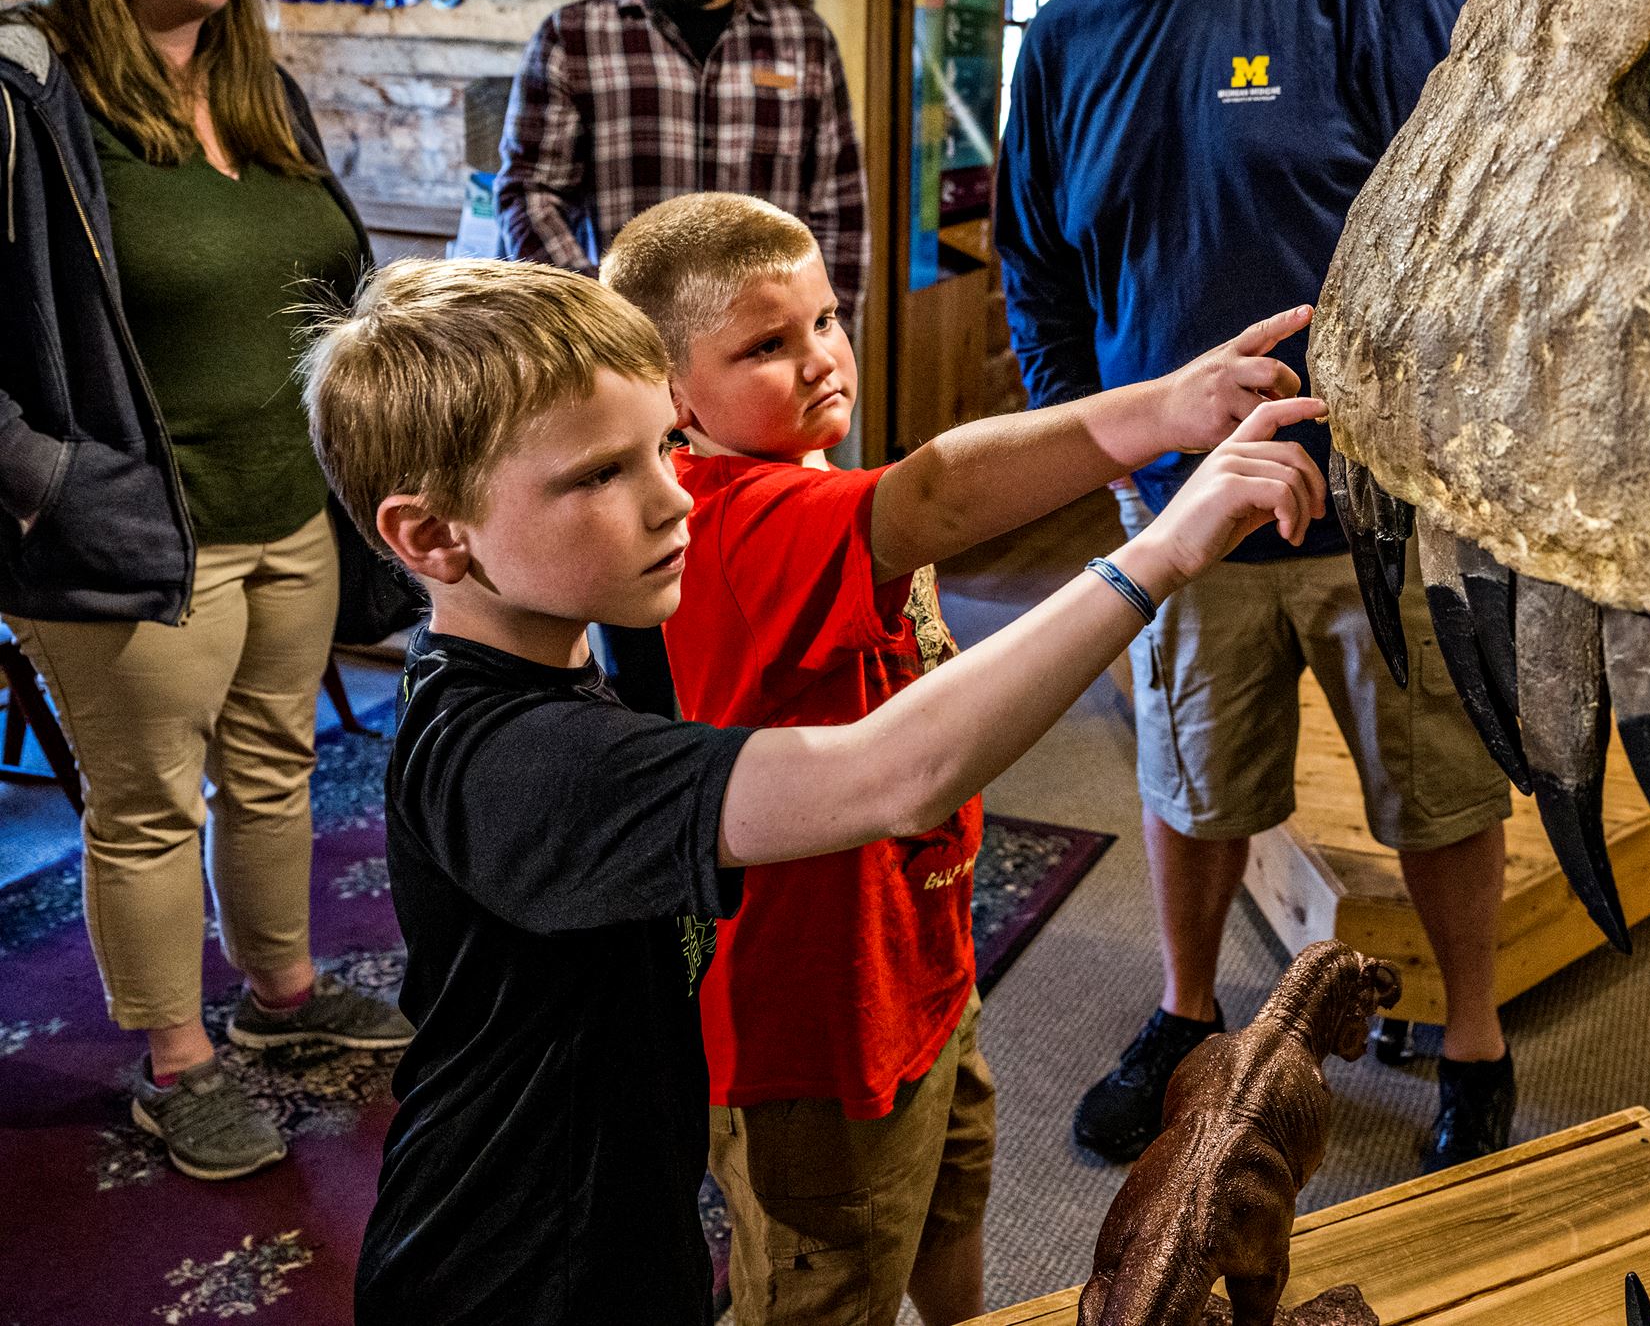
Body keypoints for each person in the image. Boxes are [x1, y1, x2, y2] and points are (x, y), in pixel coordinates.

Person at [305, 254, 1325, 1326]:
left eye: (664, 444)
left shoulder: (559, 632)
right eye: (600, 474)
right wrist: (1155, 553)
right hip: (512, 1274)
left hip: (618, 1218)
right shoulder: (512, 759)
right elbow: (888, 772)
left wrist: (1162, 413)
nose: (671, 499)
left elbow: (929, 494)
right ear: (430, 535)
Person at [602, 191, 1313, 1325]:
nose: (820, 358)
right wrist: (1160, 412)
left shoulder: (814, 488)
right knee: (827, 1280)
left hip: (916, 974)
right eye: (764, 346)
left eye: (826, 320)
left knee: (946, 1213)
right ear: (671, 394)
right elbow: (935, 491)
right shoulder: (726, 515)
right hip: (812, 1031)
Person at [986, 0, 1517, 1173]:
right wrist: (1107, 459)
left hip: (1387, 499)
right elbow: (1036, 268)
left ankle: (1474, 1041)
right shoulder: (1067, 44)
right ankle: (1181, 1010)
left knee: (1439, 785)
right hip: (1183, 509)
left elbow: (1474, 202)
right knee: (1188, 781)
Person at [0, 0, 413, 1183]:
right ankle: (177, 1060)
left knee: (276, 767)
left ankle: (281, 999)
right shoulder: (26, 92)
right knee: (146, 808)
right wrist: (50, 481)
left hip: (291, 504)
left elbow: (325, 285)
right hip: (129, 525)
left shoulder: (264, 96)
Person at [494, 0, 869, 715]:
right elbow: (528, 190)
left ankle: (784, 743)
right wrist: (609, 329)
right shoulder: (576, 37)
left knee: (785, 574)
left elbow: (840, 198)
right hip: (627, 383)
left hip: (769, 377)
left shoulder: (800, 40)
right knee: (642, 588)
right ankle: (665, 756)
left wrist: (820, 338)